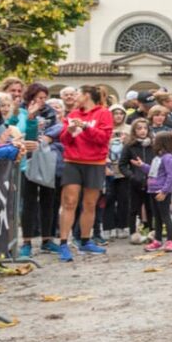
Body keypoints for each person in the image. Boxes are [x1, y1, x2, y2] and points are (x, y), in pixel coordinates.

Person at [57, 85, 114, 262]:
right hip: (72, 161)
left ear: (87, 95)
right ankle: (63, 243)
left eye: (78, 94)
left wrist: (86, 128)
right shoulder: (72, 114)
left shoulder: (104, 113)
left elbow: (103, 138)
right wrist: (69, 131)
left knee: (90, 203)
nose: (75, 97)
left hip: (95, 162)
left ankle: (85, 240)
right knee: (69, 201)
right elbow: (64, 140)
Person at [119, 118, 155, 244]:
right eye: (139, 128)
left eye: (145, 128)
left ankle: (152, 230)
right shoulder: (129, 146)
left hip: (151, 182)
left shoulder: (153, 145)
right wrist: (132, 176)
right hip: (135, 182)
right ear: (134, 130)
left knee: (151, 207)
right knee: (134, 208)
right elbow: (122, 165)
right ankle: (133, 232)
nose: (142, 131)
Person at [144, 131, 172, 253]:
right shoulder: (157, 157)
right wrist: (142, 165)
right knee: (156, 217)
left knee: (165, 216)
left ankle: (170, 240)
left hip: (161, 191)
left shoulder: (168, 158)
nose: (153, 142)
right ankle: (157, 240)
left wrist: (164, 191)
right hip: (152, 190)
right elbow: (153, 171)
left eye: (155, 141)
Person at [104, 104, 131, 240]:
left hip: (124, 169)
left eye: (121, 113)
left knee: (124, 199)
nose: (118, 116)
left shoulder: (129, 129)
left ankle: (123, 226)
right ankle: (108, 226)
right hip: (108, 168)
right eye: (115, 113)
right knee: (108, 198)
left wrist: (128, 141)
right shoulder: (104, 128)